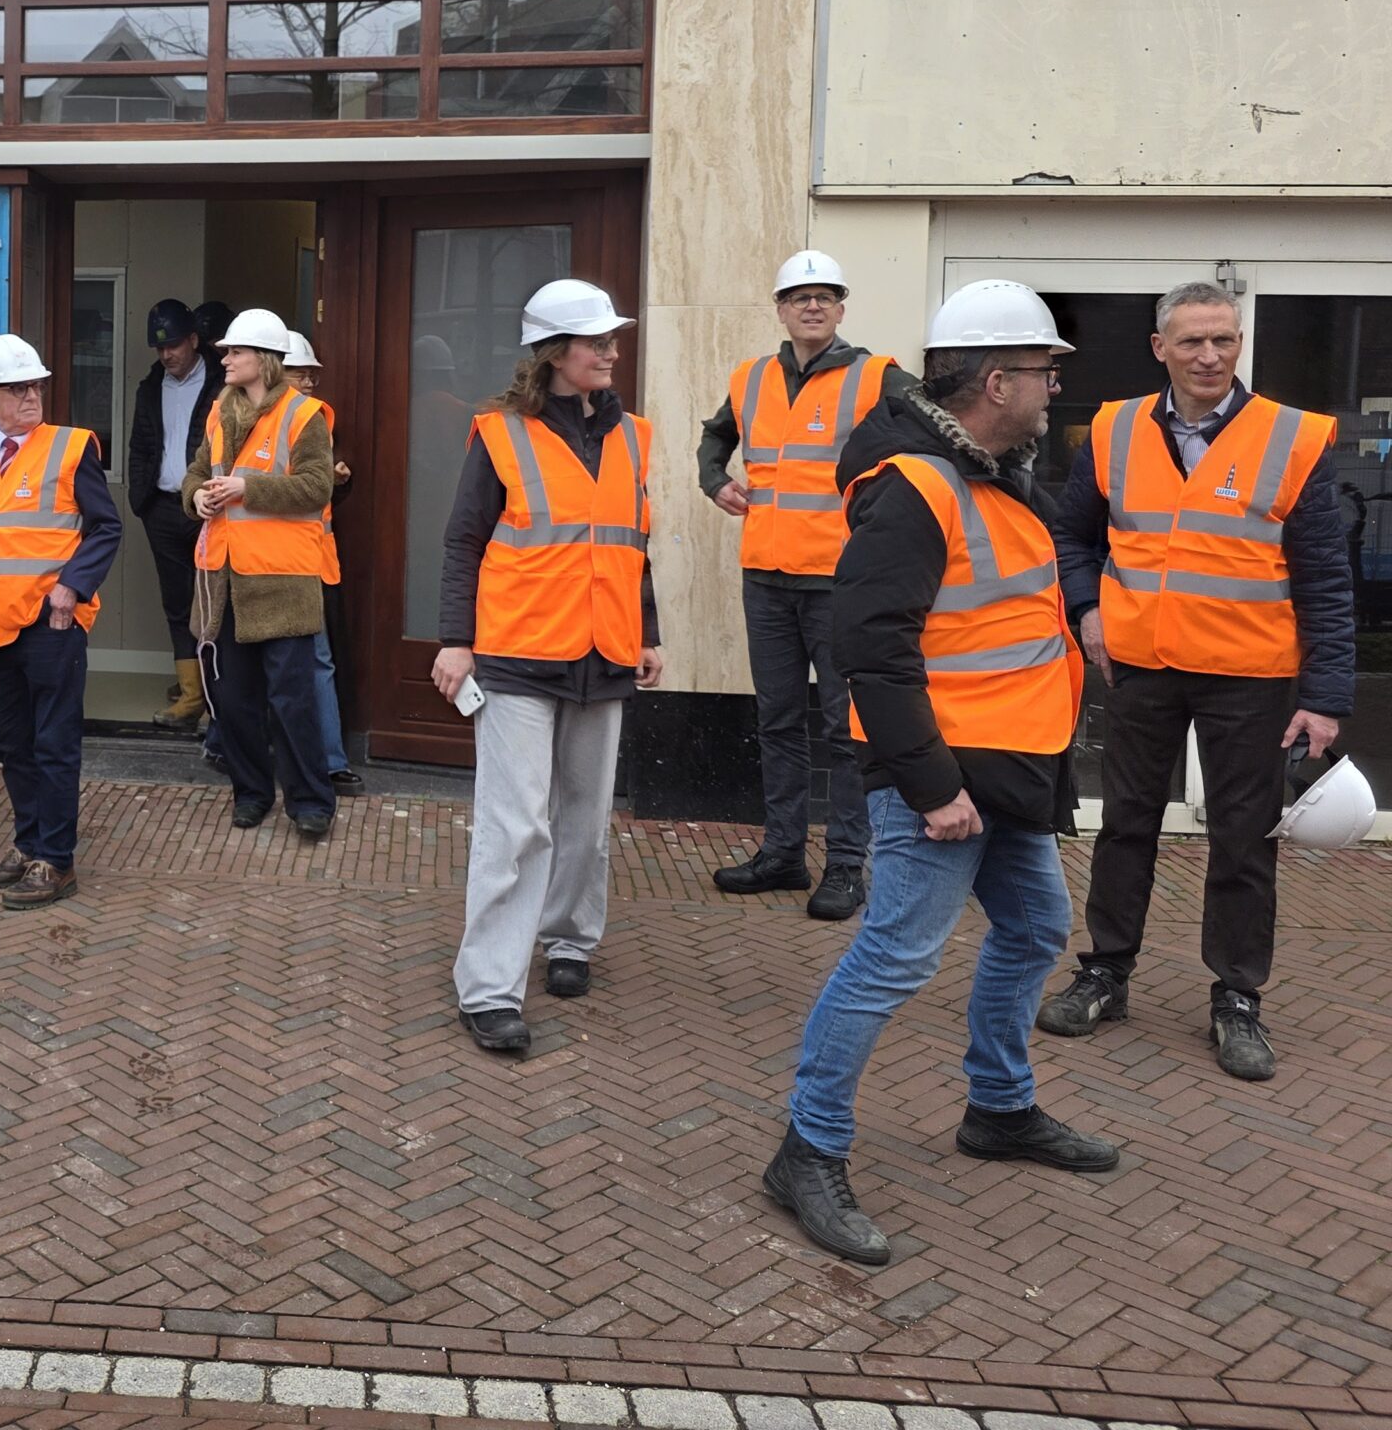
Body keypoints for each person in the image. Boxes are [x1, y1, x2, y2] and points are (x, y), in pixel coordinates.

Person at [764, 279, 1118, 1268]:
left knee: (1036, 928)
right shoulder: (916, 486)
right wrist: (929, 787)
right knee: (894, 957)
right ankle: (806, 1151)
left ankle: (998, 1107)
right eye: (1044, 371)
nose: (1054, 388)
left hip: (1006, 766)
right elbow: (870, 648)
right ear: (997, 380)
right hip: (947, 778)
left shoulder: (991, 475)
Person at [1035, 280, 1354, 1081]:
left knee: (1244, 841)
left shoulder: (1292, 438)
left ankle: (1238, 996)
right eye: (1192, 341)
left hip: (1251, 676)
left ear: (1239, 343)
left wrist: (1325, 698)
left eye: (1224, 340)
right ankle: (1106, 971)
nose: (1210, 356)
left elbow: (1325, 578)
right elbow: (1071, 537)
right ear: (1160, 348)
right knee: (1126, 825)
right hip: (1141, 666)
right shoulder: (1112, 429)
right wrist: (1087, 610)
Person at [437, 280, 662, 1057]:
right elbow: (463, 541)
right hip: (516, 654)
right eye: (596, 341)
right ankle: (489, 988)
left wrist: (648, 633)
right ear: (555, 353)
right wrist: (454, 640)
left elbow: (632, 543)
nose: (611, 351)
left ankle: (568, 939)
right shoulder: (500, 434)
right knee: (516, 826)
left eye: (612, 339)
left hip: (605, 652)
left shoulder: (633, 435)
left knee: (585, 820)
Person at [702, 250, 913, 920]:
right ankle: (783, 853)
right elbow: (714, 440)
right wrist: (715, 481)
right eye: (799, 296)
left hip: (838, 581)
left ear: (841, 308)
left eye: (825, 296)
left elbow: (931, 434)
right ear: (781, 309)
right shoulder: (751, 378)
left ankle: (847, 865)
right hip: (765, 577)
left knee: (845, 728)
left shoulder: (876, 376)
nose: (812, 305)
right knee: (778, 720)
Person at [0, 334, 123, 908]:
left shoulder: (71, 448)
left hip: (53, 624)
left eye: (36, 387)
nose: (30, 397)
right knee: (14, 745)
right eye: (17, 388)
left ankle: (56, 861)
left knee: (54, 744)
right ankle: (29, 846)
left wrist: (73, 586)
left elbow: (106, 527)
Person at [181, 308, 338, 840]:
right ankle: (250, 793)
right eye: (226, 351)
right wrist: (196, 498)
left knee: (291, 700)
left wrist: (248, 490)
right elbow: (196, 473)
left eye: (235, 351)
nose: (225, 359)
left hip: (282, 581)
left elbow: (317, 487)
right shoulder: (218, 412)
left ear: (265, 360)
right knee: (232, 700)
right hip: (222, 580)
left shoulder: (303, 414)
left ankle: (311, 801)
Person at [128, 298, 224, 735]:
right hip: (163, 508)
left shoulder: (223, 384)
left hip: (209, 509)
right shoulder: (150, 387)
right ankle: (191, 696)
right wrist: (142, 501)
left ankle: (216, 701)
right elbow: (141, 446)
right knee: (177, 603)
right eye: (159, 348)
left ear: (194, 340)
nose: (167, 354)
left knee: (214, 604)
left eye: (174, 346)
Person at [283, 332, 363, 792]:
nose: (310, 380)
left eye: (312, 373)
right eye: (300, 373)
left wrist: (333, 482)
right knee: (256, 661)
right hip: (271, 562)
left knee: (317, 660)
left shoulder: (315, 420)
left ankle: (331, 760)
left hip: (313, 562)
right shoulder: (251, 421)